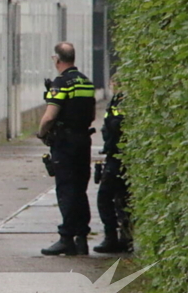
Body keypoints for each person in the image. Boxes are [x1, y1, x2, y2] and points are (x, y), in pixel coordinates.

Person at [37, 42, 95, 256]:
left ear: (57, 59)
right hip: (83, 140)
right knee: (80, 188)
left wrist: (42, 133)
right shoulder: (86, 82)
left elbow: (50, 115)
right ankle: (81, 239)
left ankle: (66, 238)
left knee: (66, 189)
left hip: (65, 142)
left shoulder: (61, 83)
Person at [93, 81, 131, 253]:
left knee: (105, 197)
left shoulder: (121, 101)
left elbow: (116, 126)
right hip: (118, 154)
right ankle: (125, 237)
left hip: (117, 155)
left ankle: (111, 237)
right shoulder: (120, 100)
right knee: (123, 197)